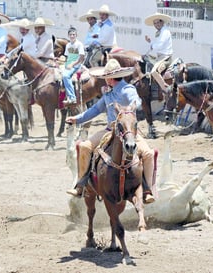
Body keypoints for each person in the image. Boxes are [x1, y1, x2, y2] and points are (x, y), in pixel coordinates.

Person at [65, 59, 155, 204]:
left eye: (106, 77)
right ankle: (82, 184)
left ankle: (147, 190)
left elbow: (136, 101)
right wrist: (77, 119)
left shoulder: (127, 90)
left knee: (148, 154)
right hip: (109, 130)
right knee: (84, 147)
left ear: (111, 78)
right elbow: (95, 110)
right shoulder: (108, 94)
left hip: (128, 132)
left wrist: (132, 106)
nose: (105, 80)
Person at [144, 12, 173, 93]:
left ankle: (165, 89)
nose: (157, 25)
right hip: (160, 57)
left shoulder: (165, 32)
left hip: (166, 58)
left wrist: (152, 45)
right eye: (155, 23)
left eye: (158, 22)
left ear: (162, 22)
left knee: (154, 71)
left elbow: (159, 45)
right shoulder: (160, 32)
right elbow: (156, 44)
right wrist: (150, 42)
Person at [62, 27, 85, 105]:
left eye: (74, 34)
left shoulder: (79, 44)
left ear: (76, 35)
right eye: (70, 34)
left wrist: (72, 64)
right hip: (68, 65)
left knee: (65, 76)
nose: (72, 36)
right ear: (68, 35)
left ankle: (72, 97)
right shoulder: (68, 45)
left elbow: (81, 57)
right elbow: (67, 57)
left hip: (76, 66)